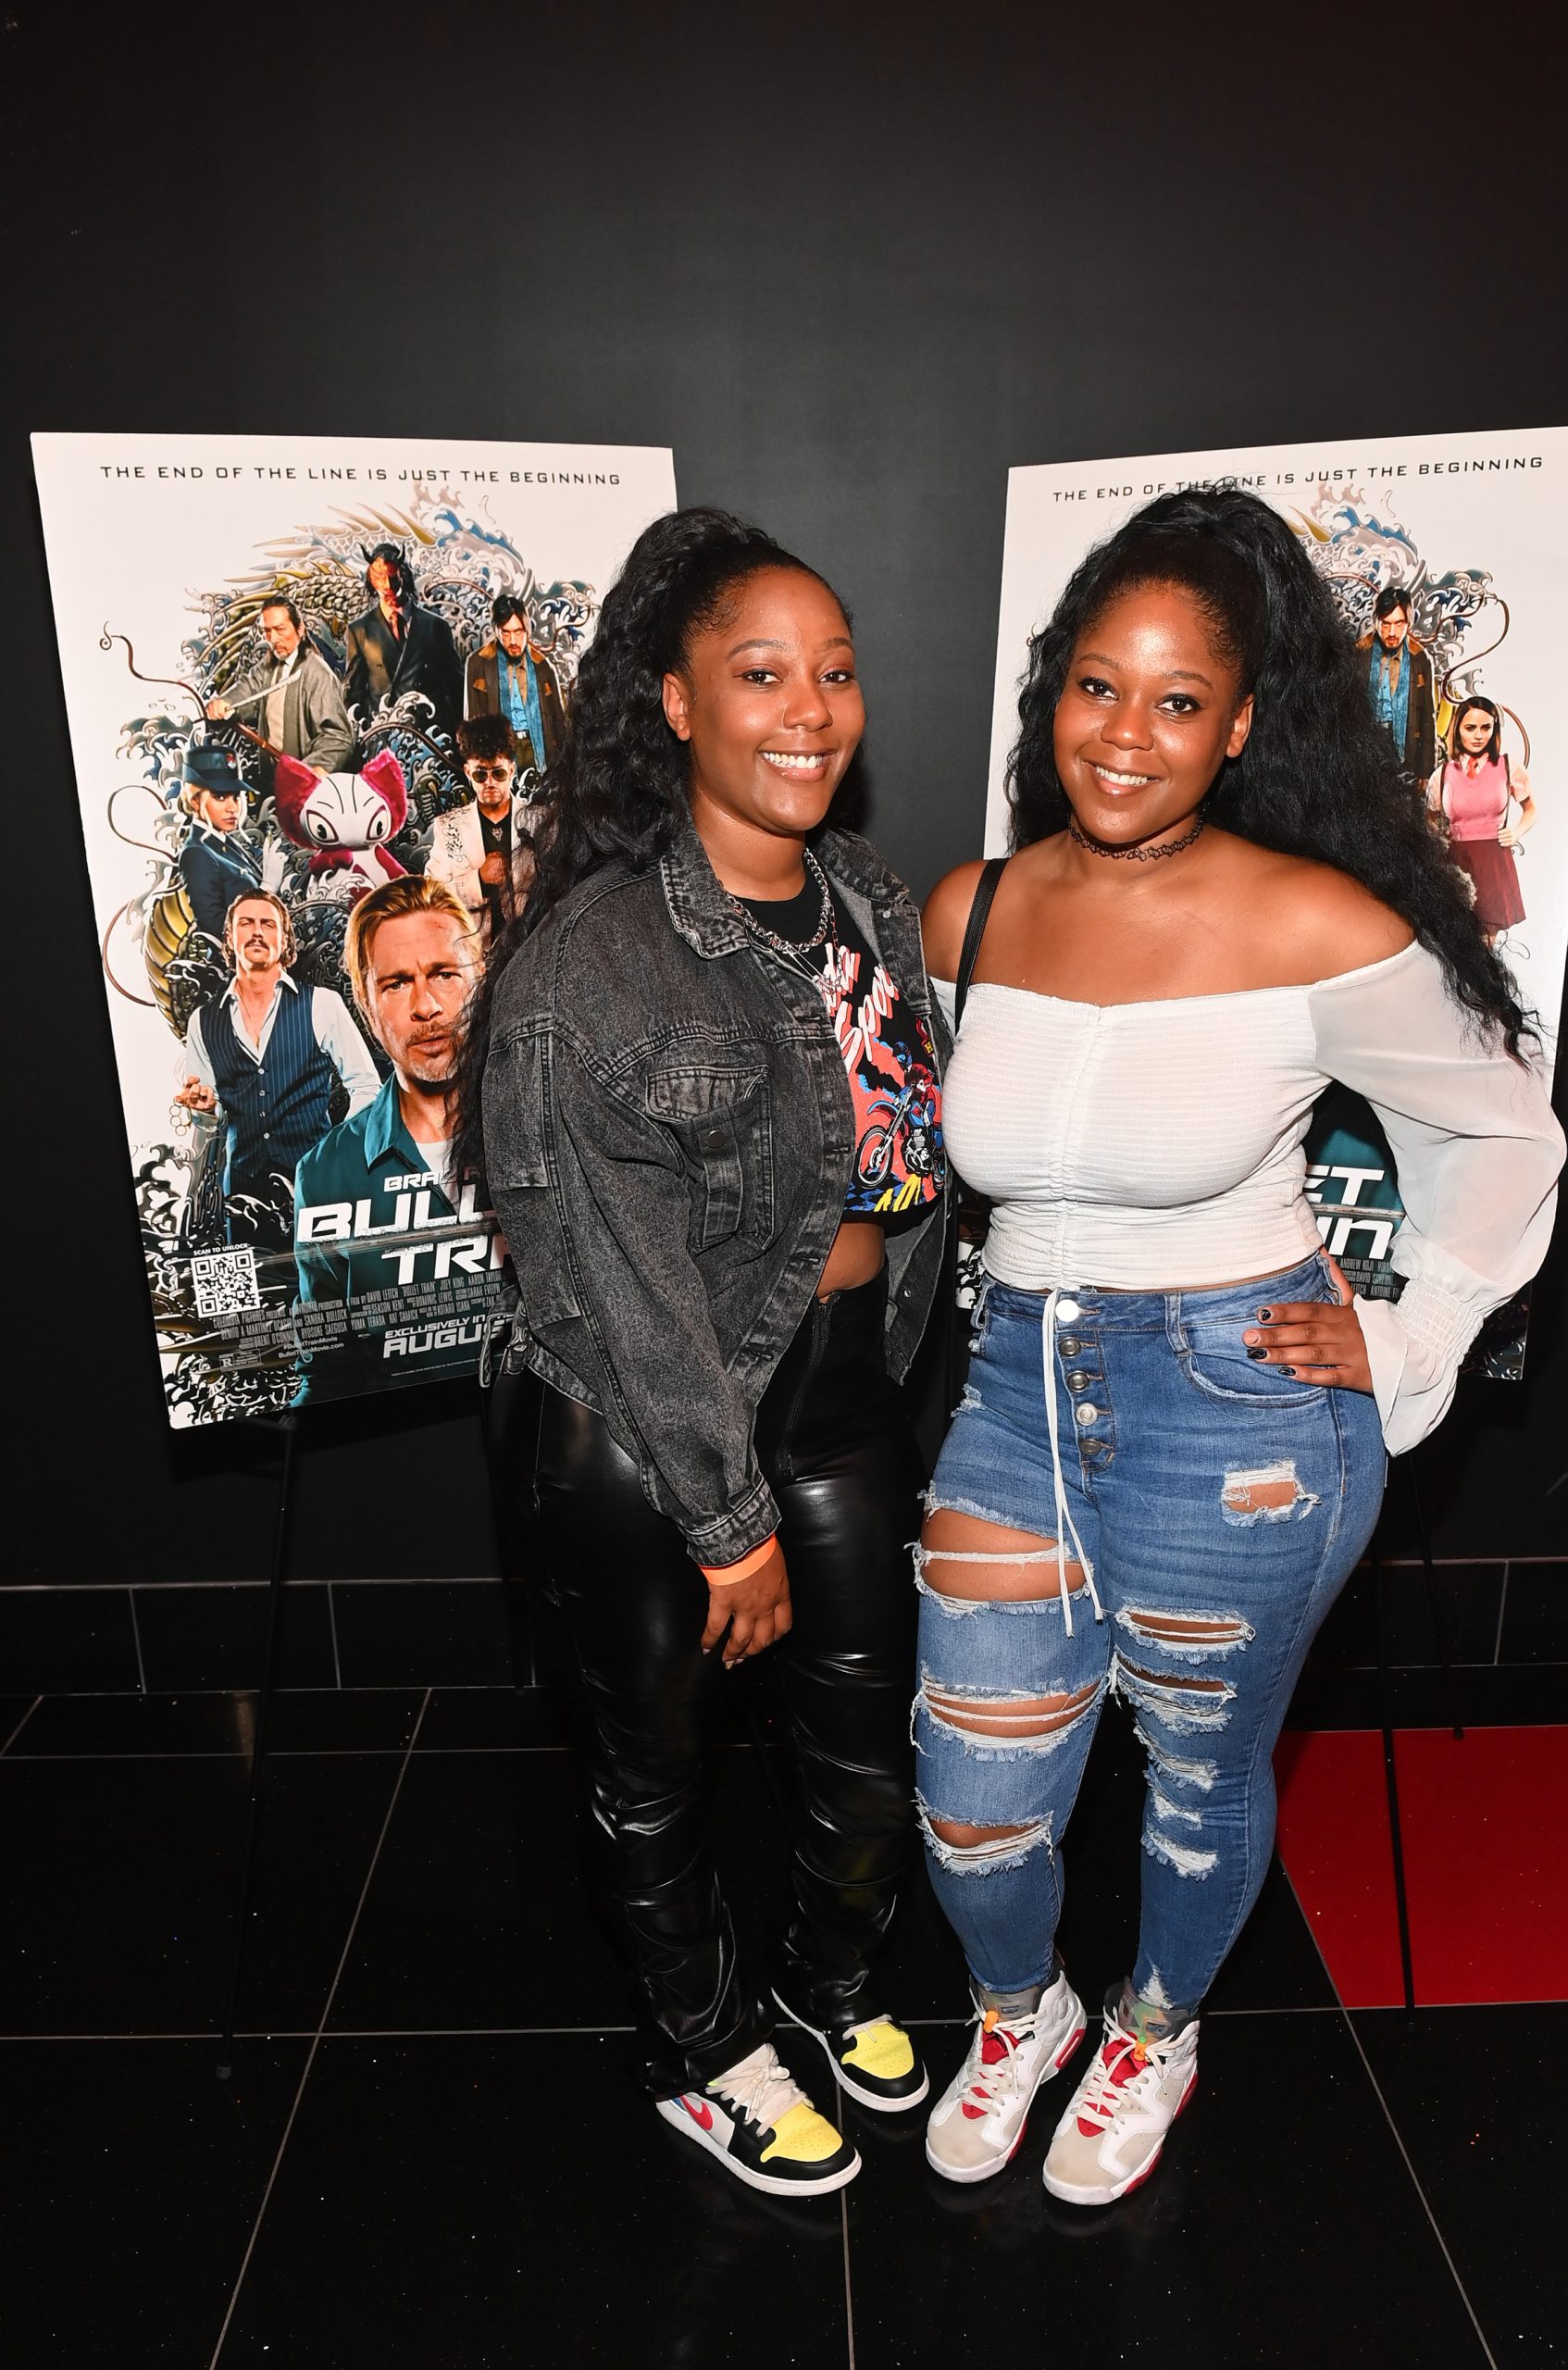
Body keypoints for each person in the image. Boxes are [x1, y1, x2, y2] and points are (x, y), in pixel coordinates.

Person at [916, 487, 1563, 2208]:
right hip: (1012, 1395)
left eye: (1177, 700)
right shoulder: (969, 909)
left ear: (1242, 726)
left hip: (1237, 1407)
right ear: (1052, 690)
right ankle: (1019, 2011)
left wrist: (1411, 1334)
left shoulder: (1312, 923)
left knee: (1197, 1783)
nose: (1125, 735)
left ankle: (1156, 2028)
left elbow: (1504, 1134)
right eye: (1096, 687)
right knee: (972, 1799)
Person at [457, 508, 951, 2197]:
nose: (808, 710)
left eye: (835, 672)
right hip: (643, 1419)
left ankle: (825, 1982)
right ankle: (700, 2045)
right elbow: (613, 1277)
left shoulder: (871, 900)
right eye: (759, 673)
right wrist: (726, 1518)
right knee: (654, 1770)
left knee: (867, 1751)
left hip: (843, 1391)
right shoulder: (591, 961)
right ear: (677, 702)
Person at [293, 876, 494, 1401]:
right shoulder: (326, 1176)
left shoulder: (545, 1123)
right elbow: (327, 1371)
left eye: (444, 974)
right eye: (397, 984)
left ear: (480, 979)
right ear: (366, 1006)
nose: (426, 1006)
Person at [174, 889, 380, 1252]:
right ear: (230, 937)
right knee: (251, 1287)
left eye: (268, 924)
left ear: (284, 940)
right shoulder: (202, 1021)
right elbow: (209, 1119)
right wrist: (204, 1109)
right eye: (246, 923)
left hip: (316, 1185)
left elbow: (366, 1087)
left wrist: (335, 1152)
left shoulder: (322, 1004)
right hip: (241, 1195)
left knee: (328, 1280)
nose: (257, 931)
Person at [205, 596, 355, 782]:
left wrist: (312, 769)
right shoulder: (267, 668)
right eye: (267, 631)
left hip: (303, 785)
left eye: (280, 629)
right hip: (271, 780)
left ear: (299, 629)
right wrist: (225, 703)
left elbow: (339, 736)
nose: (273, 639)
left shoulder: (317, 674)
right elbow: (248, 689)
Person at [1427, 695, 1536, 937]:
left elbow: (1531, 809)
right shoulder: (1441, 775)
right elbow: (1429, 818)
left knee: (1487, 938)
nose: (1478, 735)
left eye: (1486, 728)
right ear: (1458, 730)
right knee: (1455, 936)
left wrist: (1516, 833)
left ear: (1494, 729)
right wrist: (1439, 842)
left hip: (1493, 862)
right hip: (1456, 863)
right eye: (1470, 728)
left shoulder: (1508, 766)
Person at [426, 715, 541, 939]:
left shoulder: (537, 821)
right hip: (472, 948)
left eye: (498, 773)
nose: (490, 783)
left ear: (512, 770)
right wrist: (478, 879)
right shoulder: (448, 827)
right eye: (480, 774)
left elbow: (559, 885)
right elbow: (432, 895)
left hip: (531, 943)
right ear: (468, 772)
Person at [342, 543, 464, 740]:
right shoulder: (360, 630)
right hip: (383, 735)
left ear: (403, 575)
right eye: (380, 578)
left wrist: (460, 738)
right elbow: (353, 693)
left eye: (392, 577)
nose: (387, 586)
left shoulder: (435, 627)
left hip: (431, 736)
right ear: (371, 580)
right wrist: (359, 738)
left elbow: (456, 688)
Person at [464, 593, 567, 779]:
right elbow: (472, 722)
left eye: (518, 631)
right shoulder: (477, 664)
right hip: (499, 751)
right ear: (496, 631)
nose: (513, 641)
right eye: (506, 632)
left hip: (537, 748)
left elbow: (559, 722)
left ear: (527, 629)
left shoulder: (543, 666)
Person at [177, 743, 260, 940]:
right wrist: (267, 889)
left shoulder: (226, 842)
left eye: (236, 797)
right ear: (195, 801)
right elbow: (215, 928)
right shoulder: (196, 853)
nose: (233, 808)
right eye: (220, 797)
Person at [1360, 581, 1437, 781]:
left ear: (1408, 622)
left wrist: (1426, 774)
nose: (1392, 632)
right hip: (1365, 751)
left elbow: (1428, 719)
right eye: (1386, 624)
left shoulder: (1420, 658)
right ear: (1376, 622)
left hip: (1405, 752)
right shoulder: (1359, 653)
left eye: (1399, 623)